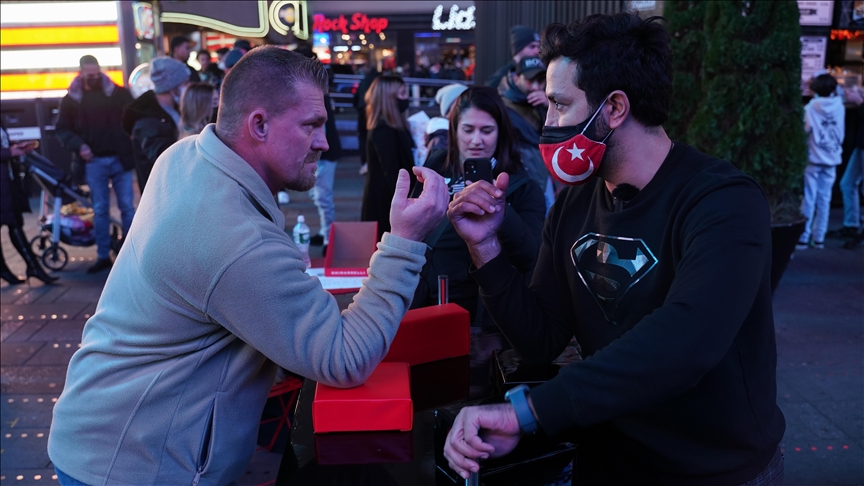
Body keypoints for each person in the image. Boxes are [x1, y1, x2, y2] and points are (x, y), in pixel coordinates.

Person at [48, 46, 449, 486]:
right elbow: (344, 358)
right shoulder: (235, 239)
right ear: (258, 125)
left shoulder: (184, 156)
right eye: (311, 125)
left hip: (103, 434)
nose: (324, 142)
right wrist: (405, 241)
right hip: (134, 465)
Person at [444, 13, 785, 485]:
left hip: (713, 471)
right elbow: (540, 339)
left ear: (615, 108)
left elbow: (686, 339)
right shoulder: (575, 203)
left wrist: (529, 412)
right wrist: (484, 246)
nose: (548, 123)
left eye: (560, 105)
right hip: (607, 458)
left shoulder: (722, 201)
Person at [410, 87, 545, 325]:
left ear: (501, 132)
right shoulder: (434, 170)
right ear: (454, 130)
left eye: (487, 130)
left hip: (487, 317)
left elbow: (530, 257)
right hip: (427, 302)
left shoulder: (523, 187)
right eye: (468, 129)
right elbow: (411, 233)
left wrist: (500, 209)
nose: (476, 140)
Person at [55, 55, 136, 274]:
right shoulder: (71, 99)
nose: (94, 78)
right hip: (93, 160)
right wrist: (79, 146)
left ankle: (131, 254)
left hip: (119, 157)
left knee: (127, 207)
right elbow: (62, 129)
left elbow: (134, 115)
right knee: (100, 209)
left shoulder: (117, 93)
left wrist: (130, 137)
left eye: (96, 74)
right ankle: (103, 255)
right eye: (89, 75)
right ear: (81, 73)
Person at [122, 57, 189, 193]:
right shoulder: (147, 121)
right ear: (172, 87)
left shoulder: (176, 109)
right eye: (185, 83)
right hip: (162, 193)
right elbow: (164, 159)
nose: (189, 87)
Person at [0, 126, 57, 285]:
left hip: (7, 182)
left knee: (15, 223)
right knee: (14, 224)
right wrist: (10, 152)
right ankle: (32, 267)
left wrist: (15, 148)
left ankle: (29, 267)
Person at [362, 75, 415, 240]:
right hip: (385, 204)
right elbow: (392, 172)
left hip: (389, 201)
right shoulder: (383, 130)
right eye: (402, 93)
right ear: (389, 98)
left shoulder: (394, 127)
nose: (406, 98)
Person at [499, 56, 555, 210]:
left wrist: (550, 104)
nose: (536, 87)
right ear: (516, 79)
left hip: (543, 174)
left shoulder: (543, 100)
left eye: (541, 80)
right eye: (530, 80)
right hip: (519, 177)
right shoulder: (503, 105)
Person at [797, 73, 846, 250]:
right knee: (825, 198)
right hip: (832, 157)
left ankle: (803, 237)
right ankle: (819, 237)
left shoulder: (811, 108)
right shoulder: (840, 106)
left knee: (809, 197)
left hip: (814, 157)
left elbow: (805, 130)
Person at [309, 93, 344, 251]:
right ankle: (325, 232)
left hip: (324, 154)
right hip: (321, 153)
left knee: (322, 196)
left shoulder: (316, 94)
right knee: (318, 195)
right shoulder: (316, 93)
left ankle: (328, 238)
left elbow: (320, 125)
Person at [425, 83, 468, 152]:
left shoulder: (454, 132)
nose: (467, 108)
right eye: (460, 103)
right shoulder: (443, 139)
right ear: (448, 111)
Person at [353, 66, 380, 175]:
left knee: (363, 137)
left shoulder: (364, 81)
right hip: (375, 113)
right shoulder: (379, 83)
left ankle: (365, 163)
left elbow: (355, 98)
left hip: (362, 111)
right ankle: (373, 163)